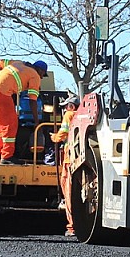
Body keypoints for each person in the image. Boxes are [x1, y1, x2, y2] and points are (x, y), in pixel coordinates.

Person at [0, 58, 46, 164]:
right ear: (40, 70)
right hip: (3, 91)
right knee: (10, 123)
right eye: (43, 74)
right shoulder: (35, 76)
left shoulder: (18, 63)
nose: (42, 77)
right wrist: (37, 122)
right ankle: (7, 156)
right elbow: (33, 101)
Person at [50, 95, 79, 237]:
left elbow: (63, 133)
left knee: (69, 193)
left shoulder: (69, 115)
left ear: (71, 106)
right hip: (77, 159)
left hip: (69, 159)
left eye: (66, 106)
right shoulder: (82, 116)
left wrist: (54, 137)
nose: (64, 110)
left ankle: (72, 227)